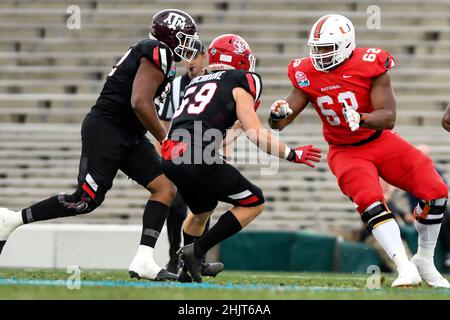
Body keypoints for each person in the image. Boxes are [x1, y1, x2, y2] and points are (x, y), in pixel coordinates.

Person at [0, 9, 199, 281]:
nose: (189, 44)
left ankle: (144, 260)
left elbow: (141, 105)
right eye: (185, 37)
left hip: (129, 134)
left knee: (164, 188)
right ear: (170, 35)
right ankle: (11, 220)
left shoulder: (160, 55)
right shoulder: (158, 51)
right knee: (84, 200)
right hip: (108, 129)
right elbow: (140, 102)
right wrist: (165, 139)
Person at [268, 14, 449, 288]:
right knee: (370, 199)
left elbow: (388, 116)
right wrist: (276, 114)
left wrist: (362, 118)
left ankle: (424, 259)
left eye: (326, 48)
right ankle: (403, 266)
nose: (319, 54)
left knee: (436, 191)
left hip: (380, 140)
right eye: (316, 48)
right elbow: (280, 122)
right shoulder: (306, 72)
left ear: (345, 45)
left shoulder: (370, 64)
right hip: (345, 150)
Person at [161, 34, 321, 283]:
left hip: (172, 156)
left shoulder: (196, 82)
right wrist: (292, 153)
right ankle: (196, 251)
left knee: (201, 211)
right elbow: (256, 133)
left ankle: (187, 269)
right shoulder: (243, 79)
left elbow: (218, 137)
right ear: (239, 60)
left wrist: (233, 129)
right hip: (197, 155)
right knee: (254, 201)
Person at [156, 39, 223, 277]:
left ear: (205, 56)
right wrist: (162, 156)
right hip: (178, 154)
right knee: (176, 206)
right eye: (185, 56)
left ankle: (198, 258)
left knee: (204, 208)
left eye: (194, 56)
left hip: (206, 152)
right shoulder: (175, 86)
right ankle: (176, 257)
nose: (189, 62)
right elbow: (162, 124)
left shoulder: (217, 82)